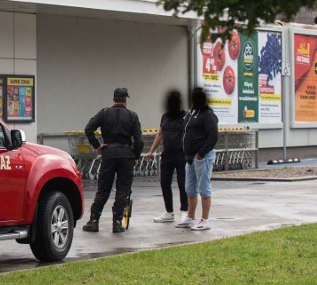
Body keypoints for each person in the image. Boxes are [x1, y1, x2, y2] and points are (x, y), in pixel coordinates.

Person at [82, 87, 144, 233]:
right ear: (126, 100)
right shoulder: (132, 115)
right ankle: (117, 222)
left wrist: (98, 145)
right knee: (123, 189)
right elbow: (139, 140)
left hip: (108, 153)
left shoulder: (104, 113)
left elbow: (88, 129)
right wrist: (135, 156)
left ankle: (94, 221)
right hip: (126, 155)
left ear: (113, 99)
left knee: (103, 188)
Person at [176, 87, 219, 231]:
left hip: (202, 157)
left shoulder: (207, 115)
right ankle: (190, 216)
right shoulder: (191, 113)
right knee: (190, 188)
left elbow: (213, 136)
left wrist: (201, 153)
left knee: (204, 188)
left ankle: (205, 219)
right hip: (189, 158)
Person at [145, 90, 188, 223]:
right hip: (167, 154)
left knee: (182, 184)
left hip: (182, 154)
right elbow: (160, 134)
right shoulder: (165, 117)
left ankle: (184, 211)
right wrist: (151, 151)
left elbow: (191, 134)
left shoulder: (186, 117)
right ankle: (169, 212)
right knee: (164, 182)